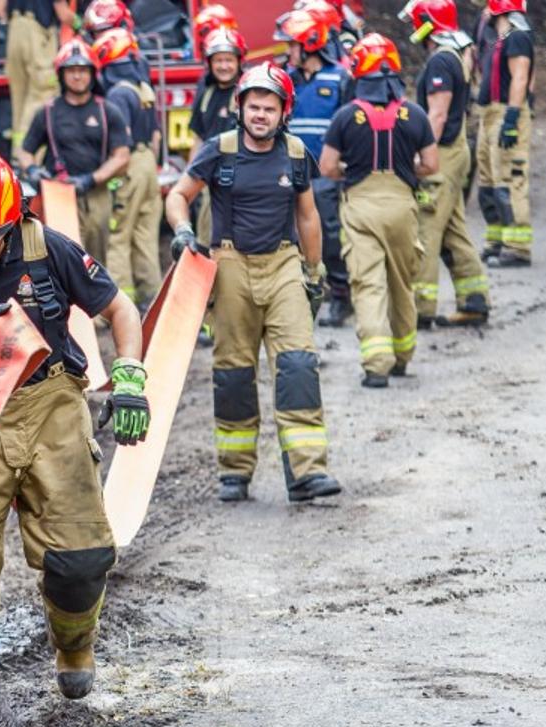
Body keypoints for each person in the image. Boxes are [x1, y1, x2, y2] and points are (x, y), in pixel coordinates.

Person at [0, 141, 148, 727]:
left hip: (50, 405)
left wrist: (129, 377)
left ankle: (74, 645)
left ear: (14, 214)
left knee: (80, 561)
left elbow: (121, 310)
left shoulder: (51, 249)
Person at [166, 64, 342, 504]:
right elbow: (177, 195)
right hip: (230, 266)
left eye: (269, 108)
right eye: (253, 106)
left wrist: (314, 271)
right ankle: (235, 472)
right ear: (240, 107)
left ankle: (307, 472)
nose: (260, 115)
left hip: (284, 265)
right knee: (234, 375)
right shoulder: (218, 151)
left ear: (284, 113)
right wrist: (183, 232)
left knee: (298, 365)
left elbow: (307, 215)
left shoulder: (297, 152)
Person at [319, 34, 439, 388]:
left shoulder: (345, 116)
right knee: (402, 283)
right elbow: (431, 164)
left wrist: (351, 171)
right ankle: (403, 356)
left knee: (369, 285)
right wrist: (405, 168)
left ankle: (376, 365)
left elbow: (326, 167)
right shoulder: (414, 114)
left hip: (361, 208)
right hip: (402, 206)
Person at [402, 0, 490, 326]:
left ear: (428, 22)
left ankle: (419, 309)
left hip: (442, 155)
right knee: (453, 231)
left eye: (417, 21)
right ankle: (474, 299)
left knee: (425, 231)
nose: (413, 27)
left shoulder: (440, 61)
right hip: (455, 153)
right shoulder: (454, 53)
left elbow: (437, 115)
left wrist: (420, 154)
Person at [15, 39, 132, 267]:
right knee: (63, 259)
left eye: (83, 70)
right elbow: (25, 151)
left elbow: (122, 155)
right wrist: (32, 171)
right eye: (72, 71)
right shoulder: (47, 113)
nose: (77, 76)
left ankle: (97, 303)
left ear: (92, 74)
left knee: (96, 262)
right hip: (58, 195)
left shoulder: (107, 111)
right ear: (62, 75)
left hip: (97, 195)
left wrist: (91, 180)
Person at [277, 4, 354, 328]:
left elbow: (351, 125)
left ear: (309, 43)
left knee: (331, 237)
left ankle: (340, 295)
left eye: (291, 44)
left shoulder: (340, 78)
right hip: (290, 173)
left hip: (325, 175)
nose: (288, 50)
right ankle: (300, 297)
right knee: (289, 238)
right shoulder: (283, 80)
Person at [92, 27, 164, 307]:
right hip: (147, 163)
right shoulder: (142, 87)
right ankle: (151, 297)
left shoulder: (118, 95)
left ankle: (120, 304)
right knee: (145, 234)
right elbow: (156, 134)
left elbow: (115, 140)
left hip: (129, 165)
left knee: (118, 235)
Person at [475, 0, 534, 266]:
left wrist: (511, 119)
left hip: (504, 114)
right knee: (489, 184)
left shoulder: (517, 37)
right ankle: (496, 241)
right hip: (488, 115)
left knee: (509, 181)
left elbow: (521, 78)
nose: (484, 11)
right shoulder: (498, 38)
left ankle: (518, 247)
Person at [0, 0, 78, 152]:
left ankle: (17, 155)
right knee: (42, 93)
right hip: (38, 33)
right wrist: (82, 24)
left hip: (14, 32)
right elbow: (63, 13)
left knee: (19, 98)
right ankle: (28, 155)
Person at [191, 27, 245, 242]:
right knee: (207, 237)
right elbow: (198, 137)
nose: (224, 66)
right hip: (209, 178)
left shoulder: (247, 92)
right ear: (209, 63)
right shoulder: (205, 93)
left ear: (239, 61)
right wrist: (191, 174)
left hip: (240, 179)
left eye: (229, 60)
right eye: (218, 60)